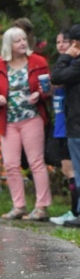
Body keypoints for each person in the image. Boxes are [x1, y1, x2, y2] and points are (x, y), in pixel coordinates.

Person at [0, 27, 51, 220]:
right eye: (17, 41)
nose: (23, 43)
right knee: (11, 164)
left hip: (31, 117)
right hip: (9, 120)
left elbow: (47, 88)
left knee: (36, 162)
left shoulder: (38, 62)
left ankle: (41, 207)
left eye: (24, 40)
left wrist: (39, 94)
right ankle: (19, 206)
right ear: (9, 45)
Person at [51, 24, 80, 228]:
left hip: (77, 123)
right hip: (73, 121)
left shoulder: (77, 64)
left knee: (78, 169)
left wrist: (66, 56)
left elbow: (57, 76)